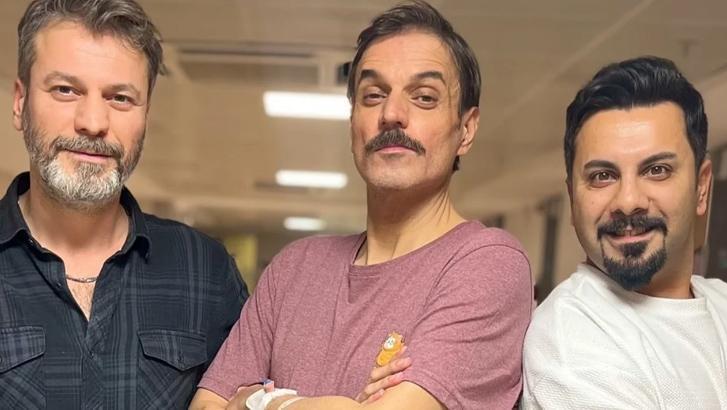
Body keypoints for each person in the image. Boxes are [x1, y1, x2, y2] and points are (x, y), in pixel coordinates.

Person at [190, 1, 533, 409]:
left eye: (424, 97)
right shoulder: (293, 268)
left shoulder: (488, 264)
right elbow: (206, 405)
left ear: (466, 129)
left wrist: (260, 401)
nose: (392, 114)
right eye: (373, 95)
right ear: (353, 119)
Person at [0, 0, 247, 408]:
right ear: (19, 102)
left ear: (146, 116)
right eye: (66, 90)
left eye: (120, 98)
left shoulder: (205, 270)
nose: (93, 122)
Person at [522, 56, 727, 409]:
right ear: (573, 198)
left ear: (701, 187)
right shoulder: (573, 339)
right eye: (602, 176)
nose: (628, 201)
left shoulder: (723, 302)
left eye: (657, 170)